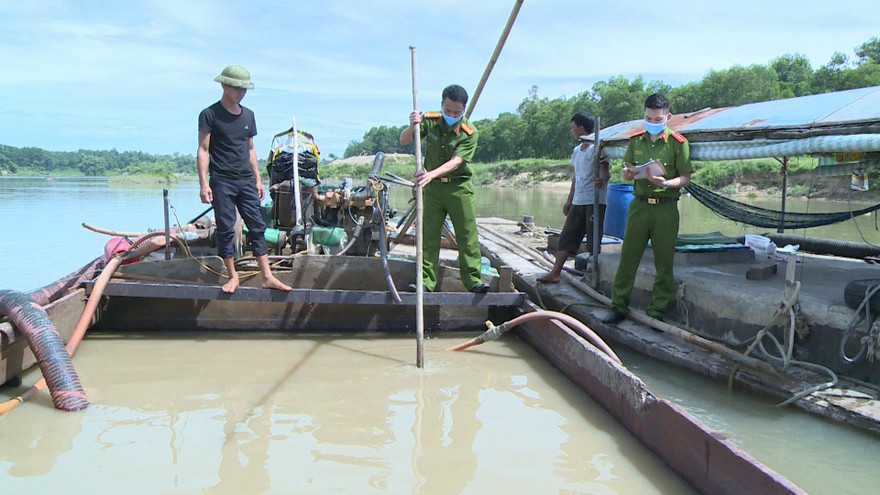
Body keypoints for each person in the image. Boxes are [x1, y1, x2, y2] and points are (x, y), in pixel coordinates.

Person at [197, 65, 292, 294]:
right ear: (224, 85)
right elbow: (203, 149)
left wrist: (259, 180)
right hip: (222, 180)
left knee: (257, 227)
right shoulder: (209, 114)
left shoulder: (249, 115)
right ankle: (232, 277)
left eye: (245, 88)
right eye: (238, 88)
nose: (242, 92)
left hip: (246, 180)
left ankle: (267, 276)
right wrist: (203, 184)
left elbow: (250, 149)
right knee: (226, 230)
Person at [601, 93, 691, 324]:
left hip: (666, 208)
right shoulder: (635, 141)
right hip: (639, 206)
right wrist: (627, 173)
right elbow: (625, 170)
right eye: (648, 118)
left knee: (664, 262)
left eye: (657, 118)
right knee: (628, 257)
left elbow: (685, 178)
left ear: (667, 117)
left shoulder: (678, 143)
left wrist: (666, 183)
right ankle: (618, 306)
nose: (652, 122)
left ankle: (656, 311)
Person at [399, 84, 488, 293]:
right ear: (442, 105)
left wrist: (430, 173)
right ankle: (426, 281)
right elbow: (404, 141)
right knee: (429, 235)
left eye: (457, 112)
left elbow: (456, 162)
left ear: (463, 110)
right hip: (433, 190)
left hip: (459, 188)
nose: (451, 115)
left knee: (467, 235)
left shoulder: (470, 132)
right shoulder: (429, 121)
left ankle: (473, 280)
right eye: (447, 111)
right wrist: (412, 125)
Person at [537, 111, 610, 284]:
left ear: (581, 128)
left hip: (594, 201)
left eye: (573, 127)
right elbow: (576, 177)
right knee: (567, 237)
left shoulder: (598, 148)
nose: (572, 131)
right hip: (579, 200)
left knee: (593, 241)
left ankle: (591, 275)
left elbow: (606, 172)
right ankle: (555, 272)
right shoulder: (577, 150)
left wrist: (602, 180)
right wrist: (569, 200)